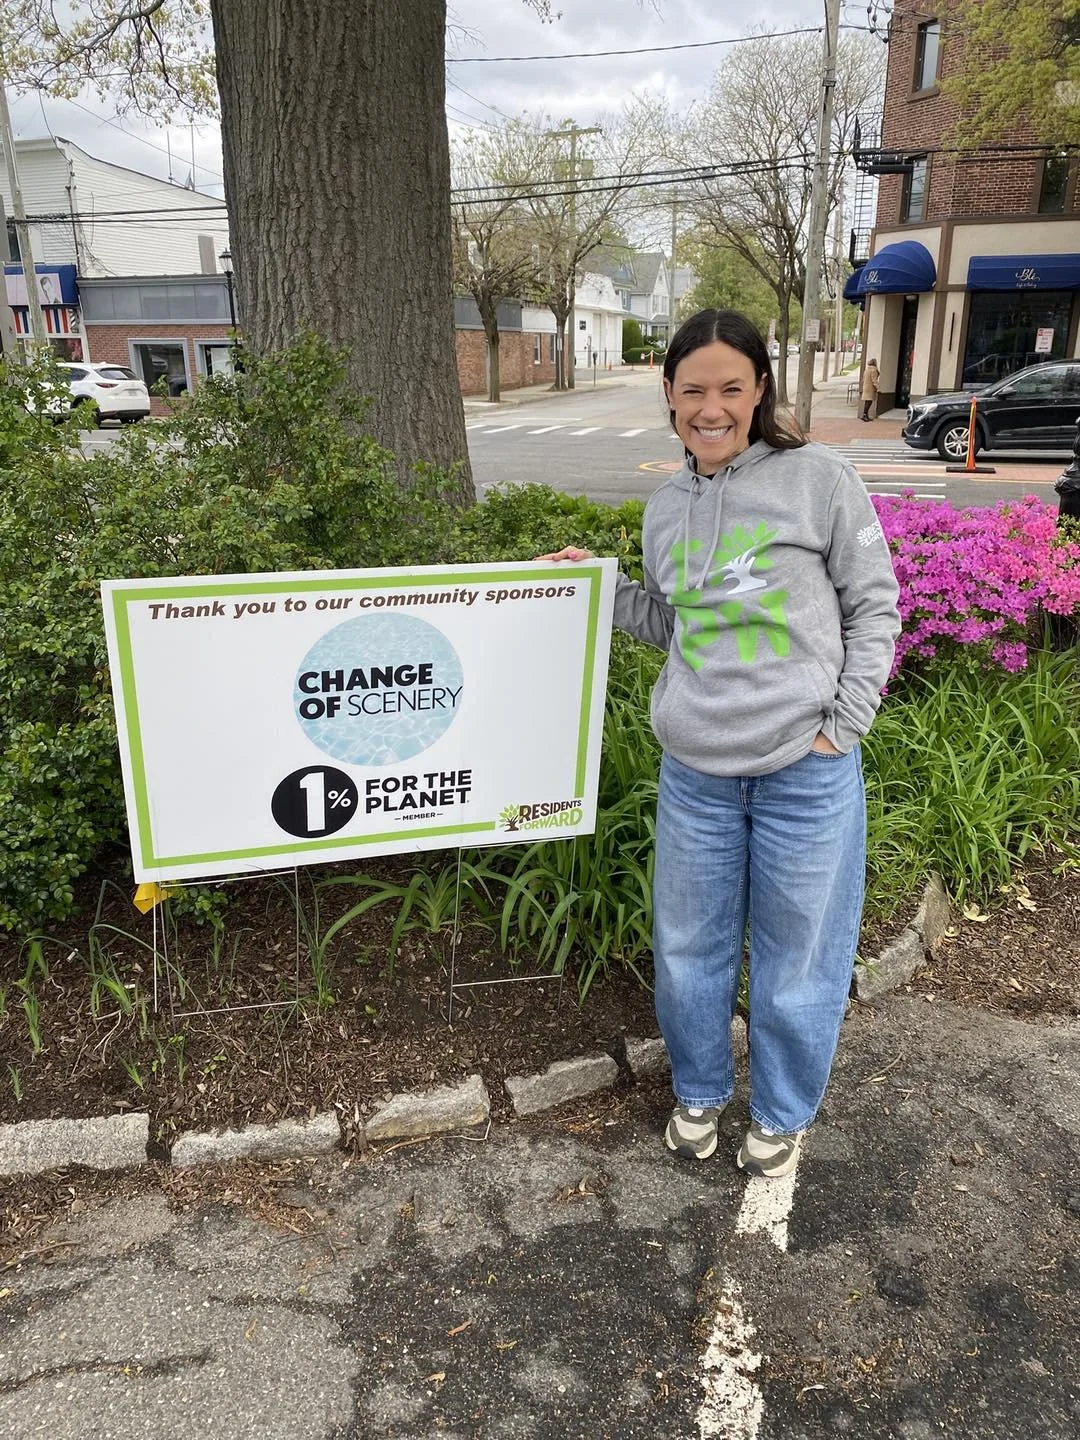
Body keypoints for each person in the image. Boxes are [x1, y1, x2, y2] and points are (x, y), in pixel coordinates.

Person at [540, 309, 900, 1179]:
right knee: (689, 952)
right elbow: (677, 625)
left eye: (730, 389)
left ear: (759, 391)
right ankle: (699, 1092)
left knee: (797, 958)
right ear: (668, 394)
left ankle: (781, 1111)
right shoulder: (666, 507)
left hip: (802, 773)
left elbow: (874, 604)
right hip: (697, 774)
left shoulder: (818, 476)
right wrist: (597, 584)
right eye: (693, 389)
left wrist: (841, 725)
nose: (712, 407)